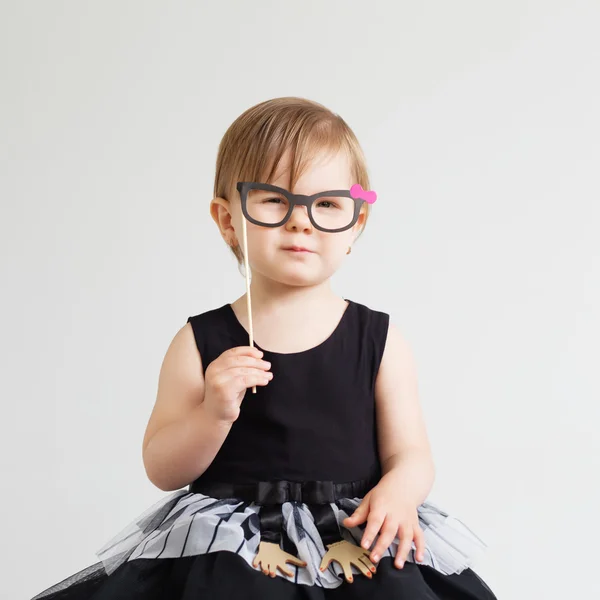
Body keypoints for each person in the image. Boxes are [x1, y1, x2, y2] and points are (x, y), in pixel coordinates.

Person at [32, 97, 497, 599]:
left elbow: (411, 453)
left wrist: (399, 492)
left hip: (353, 532)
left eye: (327, 204)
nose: (301, 222)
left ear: (355, 223)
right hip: (236, 546)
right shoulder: (200, 342)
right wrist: (212, 413)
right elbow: (162, 469)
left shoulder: (379, 340)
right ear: (228, 219)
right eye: (274, 199)